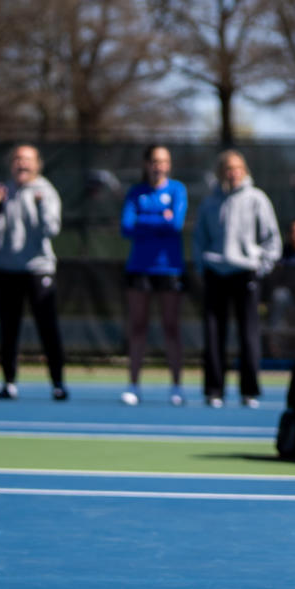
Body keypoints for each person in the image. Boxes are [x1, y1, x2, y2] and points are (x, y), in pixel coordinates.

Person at [192, 149, 280, 408]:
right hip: (216, 274)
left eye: (238, 167)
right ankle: (214, 390)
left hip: (246, 275)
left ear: (245, 170)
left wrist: (259, 265)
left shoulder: (257, 199)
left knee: (249, 335)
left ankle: (249, 391)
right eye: (228, 168)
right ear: (221, 172)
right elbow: (199, 239)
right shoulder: (210, 202)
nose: (233, 173)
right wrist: (203, 265)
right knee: (213, 334)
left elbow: (271, 239)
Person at [0, 144, 69, 400]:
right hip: (6, 269)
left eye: (27, 160)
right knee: (8, 328)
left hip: (37, 269)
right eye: (17, 159)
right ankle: (9, 382)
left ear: (37, 164)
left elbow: (52, 229)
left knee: (47, 327)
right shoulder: (3, 191)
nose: (22, 164)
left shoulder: (46, 192)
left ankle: (58, 382)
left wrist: (41, 206)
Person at [120, 144, 188, 407]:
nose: (159, 165)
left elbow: (176, 224)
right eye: (154, 161)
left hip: (169, 268)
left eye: (164, 161)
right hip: (139, 268)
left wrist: (145, 220)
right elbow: (127, 226)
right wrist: (160, 217)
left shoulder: (177, 190)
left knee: (171, 327)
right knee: (137, 327)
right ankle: (133, 385)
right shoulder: (136, 192)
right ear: (146, 164)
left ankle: (176, 386)